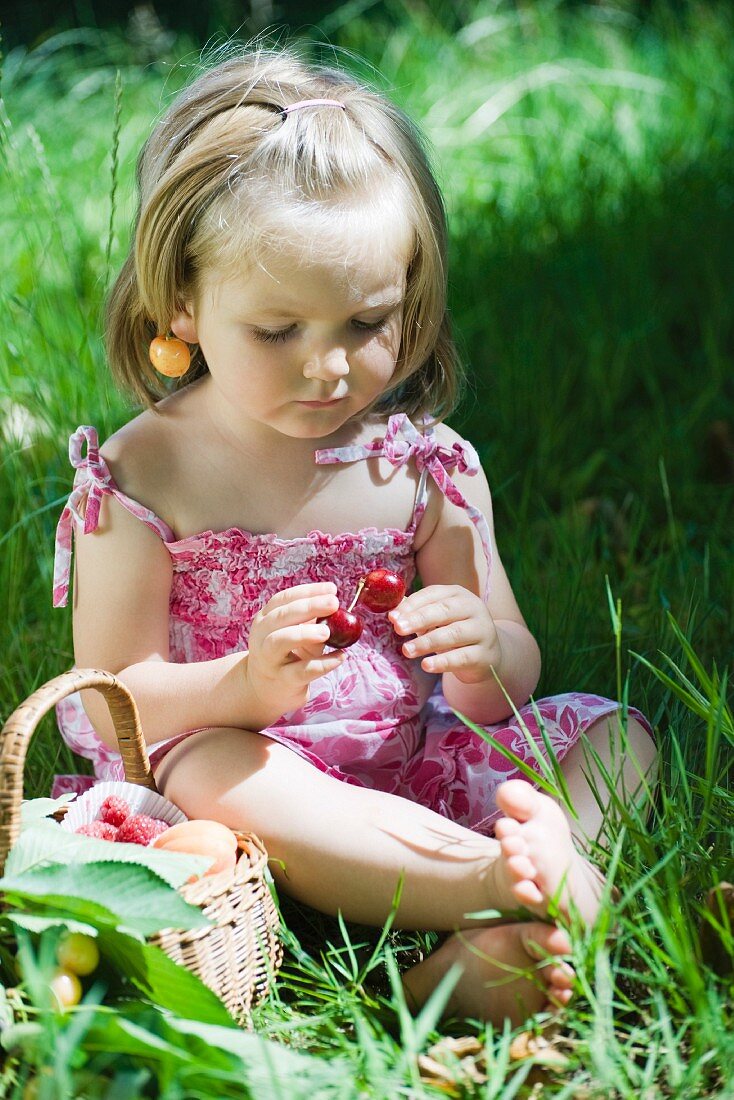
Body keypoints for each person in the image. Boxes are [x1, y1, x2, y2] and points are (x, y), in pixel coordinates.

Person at [51, 43, 656, 1025]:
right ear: (184, 306)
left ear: (408, 298)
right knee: (219, 765)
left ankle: (493, 933)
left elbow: (506, 674)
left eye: (366, 321)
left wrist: (478, 648)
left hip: (406, 758)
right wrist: (241, 684)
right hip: (247, 774)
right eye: (278, 330)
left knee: (614, 732)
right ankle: (500, 883)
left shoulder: (426, 464)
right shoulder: (141, 475)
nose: (327, 367)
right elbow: (112, 696)